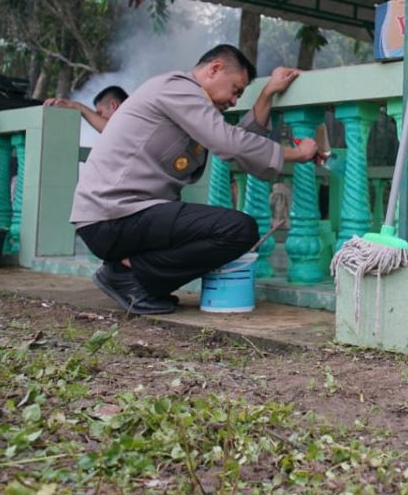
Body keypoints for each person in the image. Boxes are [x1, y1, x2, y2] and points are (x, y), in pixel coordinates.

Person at [70, 45, 319, 314]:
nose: (234, 101)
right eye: (236, 90)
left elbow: (238, 145)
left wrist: (267, 93)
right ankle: (126, 274)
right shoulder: (177, 88)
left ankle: (139, 281)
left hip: (123, 217)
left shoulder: (191, 102)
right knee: (238, 230)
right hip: (112, 215)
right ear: (215, 69)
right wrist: (298, 152)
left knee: (228, 227)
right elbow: (231, 142)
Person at [44, 85, 128, 133]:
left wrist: (78, 107)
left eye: (99, 113)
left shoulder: (132, 124)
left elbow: (112, 131)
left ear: (113, 105)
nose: (97, 117)